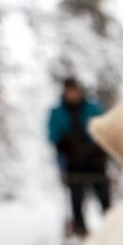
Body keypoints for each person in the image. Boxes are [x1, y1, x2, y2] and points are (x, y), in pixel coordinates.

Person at [47, 78, 110, 236]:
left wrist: (96, 147)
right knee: (76, 197)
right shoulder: (57, 112)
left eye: (75, 91)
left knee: (103, 195)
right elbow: (52, 135)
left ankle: (111, 227)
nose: (73, 95)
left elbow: (103, 127)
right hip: (72, 162)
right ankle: (80, 230)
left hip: (95, 160)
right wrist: (65, 144)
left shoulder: (93, 108)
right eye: (70, 92)